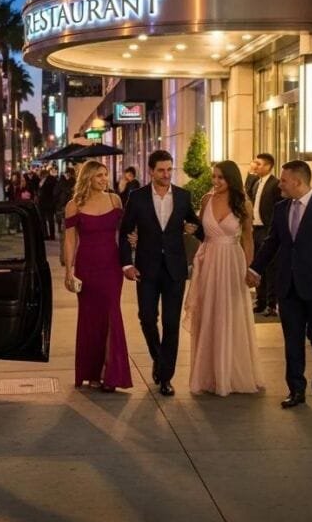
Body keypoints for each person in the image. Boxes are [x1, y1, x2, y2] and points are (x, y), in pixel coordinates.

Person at [247, 161, 312, 408]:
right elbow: (272, 243)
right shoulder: (281, 208)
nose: (279, 184)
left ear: (298, 182)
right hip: (288, 286)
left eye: (283, 180)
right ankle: (296, 389)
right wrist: (254, 268)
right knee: (292, 340)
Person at [119, 150, 203, 396]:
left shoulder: (184, 197)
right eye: (161, 170)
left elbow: (199, 229)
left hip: (175, 270)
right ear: (151, 171)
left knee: (171, 324)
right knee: (146, 318)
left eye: (169, 169)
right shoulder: (137, 197)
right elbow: (125, 233)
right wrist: (126, 264)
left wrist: (193, 229)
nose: (166, 175)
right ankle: (159, 357)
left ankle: (166, 377)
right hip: (146, 268)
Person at [184, 160, 265, 396]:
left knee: (231, 314)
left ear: (231, 179)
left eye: (221, 177)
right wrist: (192, 231)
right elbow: (202, 233)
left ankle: (231, 373)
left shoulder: (244, 204)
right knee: (209, 313)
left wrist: (250, 269)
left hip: (232, 262)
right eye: (214, 177)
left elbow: (248, 239)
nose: (216, 182)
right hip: (208, 261)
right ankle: (209, 374)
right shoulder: (206, 200)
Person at [64, 161, 132, 391]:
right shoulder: (74, 205)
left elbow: (125, 232)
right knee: (91, 320)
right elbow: (70, 240)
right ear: (88, 179)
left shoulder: (115, 200)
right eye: (99, 176)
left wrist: (134, 242)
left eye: (105, 175)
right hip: (87, 268)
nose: (104, 179)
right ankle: (93, 373)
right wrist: (68, 271)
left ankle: (111, 374)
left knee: (112, 314)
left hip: (111, 267)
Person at [250, 153, 281, 316]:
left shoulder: (275, 184)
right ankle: (260, 301)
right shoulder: (256, 183)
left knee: (271, 268)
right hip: (256, 230)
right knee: (257, 267)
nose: (256, 166)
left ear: (268, 166)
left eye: (259, 164)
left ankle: (272, 304)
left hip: (268, 231)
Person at [38, 166, 58, 240]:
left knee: (50, 220)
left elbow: (54, 191)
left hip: (49, 203)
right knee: (44, 220)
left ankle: (50, 235)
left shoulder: (51, 180)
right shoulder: (42, 181)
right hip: (43, 203)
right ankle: (46, 235)